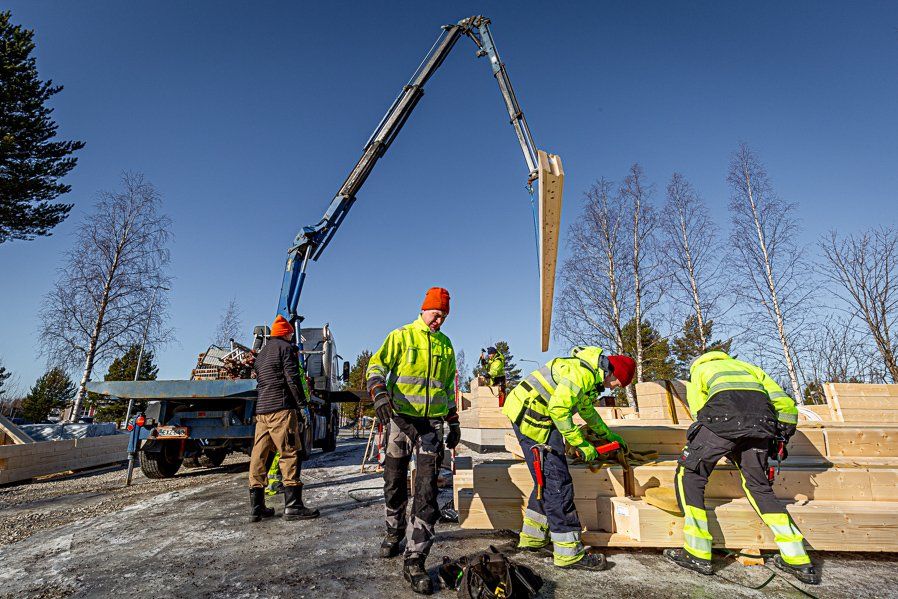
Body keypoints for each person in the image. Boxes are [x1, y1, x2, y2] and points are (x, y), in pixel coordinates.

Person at [664, 351, 820, 585]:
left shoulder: (700, 370)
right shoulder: (748, 367)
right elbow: (785, 404)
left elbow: (700, 411)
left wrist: (716, 442)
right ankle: (797, 558)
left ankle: (696, 552)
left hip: (722, 421)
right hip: (761, 427)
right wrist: (782, 437)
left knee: (691, 473)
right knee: (759, 486)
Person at [502, 346, 635, 570]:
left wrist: (607, 435)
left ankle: (532, 538)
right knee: (557, 483)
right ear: (612, 373)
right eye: (617, 385)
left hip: (535, 414)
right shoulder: (582, 374)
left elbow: (586, 411)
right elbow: (558, 409)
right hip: (533, 418)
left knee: (545, 480)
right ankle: (569, 554)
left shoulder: (590, 375)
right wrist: (580, 443)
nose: (614, 389)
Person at [366, 287, 459, 595]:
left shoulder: (446, 346)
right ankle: (394, 532)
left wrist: (453, 420)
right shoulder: (402, 336)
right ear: (423, 310)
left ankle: (415, 559)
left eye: (444, 316)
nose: (439, 320)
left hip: (431, 426)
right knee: (393, 482)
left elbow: (446, 386)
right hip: (399, 421)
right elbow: (376, 365)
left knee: (427, 489)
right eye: (436, 313)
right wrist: (379, 391)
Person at [248, 315, 319, 522]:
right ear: (286, 333)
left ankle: (257, 507)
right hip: (281, 410)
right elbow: (292, 378)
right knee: (289, 453)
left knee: (259, 456)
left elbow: (261, 382)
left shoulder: (261, 355)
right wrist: (302, 405)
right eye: (290, 333)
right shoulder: (286, 349)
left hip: (262, 412)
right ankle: (293, 506)